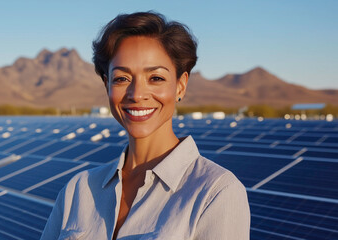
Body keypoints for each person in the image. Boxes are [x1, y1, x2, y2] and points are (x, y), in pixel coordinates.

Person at [41, 11, 250, 239]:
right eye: (122, 79)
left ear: (180, 86)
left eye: (156, 78)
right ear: (106, 85)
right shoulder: (77, 190)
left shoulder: (215, 192)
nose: (137, 94)